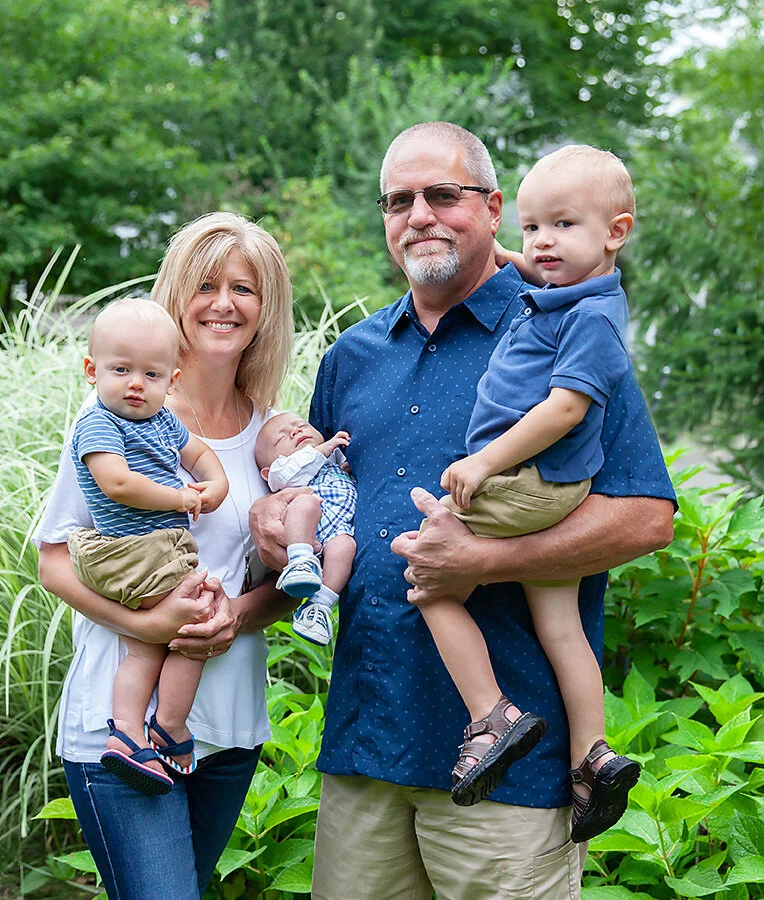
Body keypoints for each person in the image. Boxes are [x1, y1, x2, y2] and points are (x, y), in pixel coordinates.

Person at [250, 122, 675, 900]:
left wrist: (489, 562)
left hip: (511, 771)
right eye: (398, 199)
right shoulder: (352, 357)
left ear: (492, 207)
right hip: (367, 746)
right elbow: (321, 504)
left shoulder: (557, 320)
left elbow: (647, 515)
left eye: (443, 194)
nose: (420, 214)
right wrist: (273, 533)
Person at [34, 212, 297, 900]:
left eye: (244, 288)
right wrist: (149, 628)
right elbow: (53, 562)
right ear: (175, 296)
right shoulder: (118, 414)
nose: (223, 303)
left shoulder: (275, 435)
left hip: (229, 725)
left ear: (266, 309)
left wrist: (236, 616)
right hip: (118, 727)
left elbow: (291, 580)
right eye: (206, 284)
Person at [421, 145, 641, 842]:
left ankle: (493, 715)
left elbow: (564, 410)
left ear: (616, 232)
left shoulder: (594, 318)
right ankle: (591, 756)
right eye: (531, 228)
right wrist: (503, 255)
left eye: (563, 226)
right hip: (551, 492)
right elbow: (524, 268)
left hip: (530, 485)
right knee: (561, 624)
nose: (542, 243)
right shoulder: (565, 293)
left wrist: (483, 463)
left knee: (427, 566)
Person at [66, 297, 229, 793]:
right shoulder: (97, 422)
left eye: (152, 375)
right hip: (126, 551)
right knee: (195, 618)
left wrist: (213, 484)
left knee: (154, 642)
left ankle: (136, 732)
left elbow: (197, 452)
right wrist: (180, 496)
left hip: (152, 549)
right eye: (121, 370)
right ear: (93, 371)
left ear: (171, 380)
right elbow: (116, 483)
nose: (136, 383)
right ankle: (154, 728)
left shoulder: (159, 420)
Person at [254, 412, 356, 645]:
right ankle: (300, 562)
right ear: (267, 473)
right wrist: (327, 447)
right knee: (306, 502)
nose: (296, 431)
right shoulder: (283, 472)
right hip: (306, 529)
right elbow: (296, 468)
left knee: (346, 546)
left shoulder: (332, 462)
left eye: (301, 425)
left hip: (335, 532)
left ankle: (318, 606)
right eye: (282, 438)